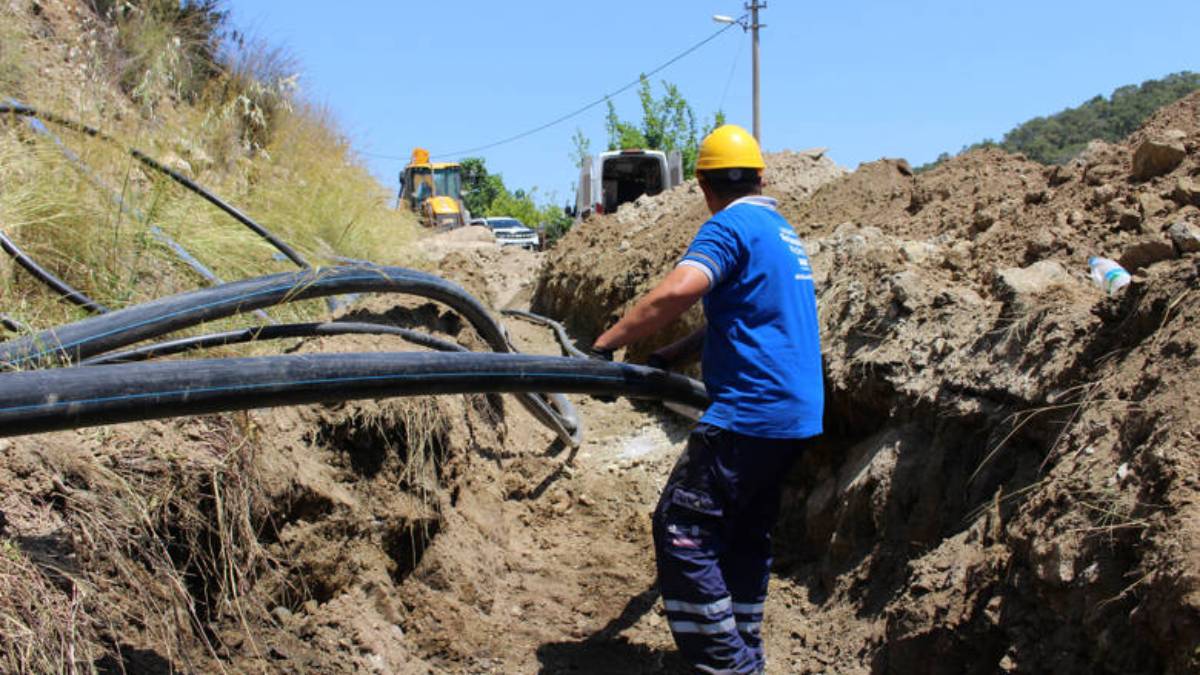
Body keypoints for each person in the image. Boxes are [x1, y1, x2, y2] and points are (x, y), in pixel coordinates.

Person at [590, 124, 824, 674]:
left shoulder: (729, 225)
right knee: (743, 533)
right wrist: (671, 354)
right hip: (793, 417)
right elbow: (746, 315)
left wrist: (603, 347)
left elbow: (679, 290)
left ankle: (728, 666)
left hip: (749, 411)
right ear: (761, 178)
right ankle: (745, 650)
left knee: (683, 529)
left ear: (702, 185)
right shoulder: (780, 231)